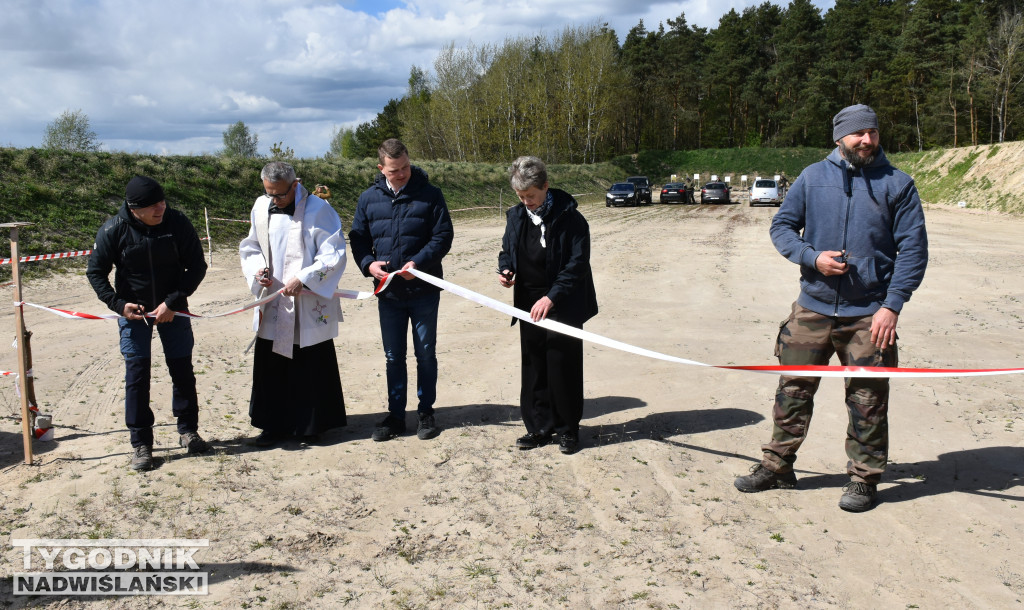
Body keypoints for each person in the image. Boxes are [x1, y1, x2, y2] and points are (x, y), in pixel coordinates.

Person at [733, 104, 928, 512]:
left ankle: (864, 479)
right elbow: (782, 226)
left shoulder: (899, 184)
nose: (867, 140)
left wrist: (892, 306)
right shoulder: (812, 177)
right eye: (859, 133)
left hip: (870, 315)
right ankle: (777, 466)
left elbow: (913, 250)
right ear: (840, 137)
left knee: (868, 401)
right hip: (812, 309)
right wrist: (812, 257)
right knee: (793, 391)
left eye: (873, 132)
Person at [86, 176, 209, 471]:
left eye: (162, 201)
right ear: (134, 208)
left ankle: (188, 431)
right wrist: (119, 305)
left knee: (182, 370)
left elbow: (197, 266)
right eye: (153, 205)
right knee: (137, 376)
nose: (160, 208)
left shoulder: (177, 222)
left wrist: (173, 302)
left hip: (174, 310)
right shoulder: (114, 229)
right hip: (134, 314)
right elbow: (95, 272)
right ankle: (141, 443)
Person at [349, 139, 454, 442]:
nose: (402, 173)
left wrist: (418, 263)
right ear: (381, 168)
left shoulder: (430, 194)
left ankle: (426, 413)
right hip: (388, 294)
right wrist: (368, 264)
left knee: (426, 354)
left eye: (405, 167)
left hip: (424, 290)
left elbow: (443, 236)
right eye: (395, 170)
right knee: (393, 356)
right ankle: (396, 416)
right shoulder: (368, 198)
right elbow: (358, 238)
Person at [239, 161, 348, 447]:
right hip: (274, 298)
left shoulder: (319, 210)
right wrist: (259, 271)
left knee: (309, 362)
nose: (274, 199)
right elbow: (251, 246)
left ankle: (312, 425)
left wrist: (305, 278)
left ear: (295, 184)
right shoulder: (261, 207)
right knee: (272, 363)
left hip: (306, 301)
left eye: (280, 194)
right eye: (269, 193)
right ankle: (272, 425)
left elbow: (334, 253)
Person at [497, 156, 598, 455]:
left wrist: (551, 296)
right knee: (534, 366)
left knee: (562, 365)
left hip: (563, 301)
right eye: (521, 196)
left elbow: (577, 264)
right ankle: (538, 427)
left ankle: (568, 430)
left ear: (546, 186)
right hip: (528, 302)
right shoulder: (516, 216)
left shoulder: (571, 219)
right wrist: (506, 269)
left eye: (531, 195)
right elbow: (507, 249)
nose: (526, 202)